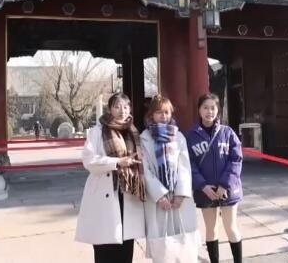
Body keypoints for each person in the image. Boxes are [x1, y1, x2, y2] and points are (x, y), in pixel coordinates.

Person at [75, 93, 147, 263]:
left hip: (128, 192)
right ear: (110, 109)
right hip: (104, 193)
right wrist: (117, 162)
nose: (122, 111)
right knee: (105, 249)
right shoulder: (98, 131)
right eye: (117, 106)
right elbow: (88, 160)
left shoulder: (133, 131)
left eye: (126, 107)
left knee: (125, 248)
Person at [139, 95, 198, 263]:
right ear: (151, 115)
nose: (163, 116)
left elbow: (184, 166)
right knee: (162, 247)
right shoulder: (144, 138)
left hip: (178, 198)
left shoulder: (178, 137)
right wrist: (159, 195)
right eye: (159, 112)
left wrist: (180, 193)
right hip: (158, 199)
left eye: (166, 112)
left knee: (183, 243)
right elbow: (145, 169)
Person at [186, 93, 243, 263]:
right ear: (199, 110)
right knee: (211, 230)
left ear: (218, 110)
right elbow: (189, 164)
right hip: (206, 191)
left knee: (231, 228)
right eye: (205, 107)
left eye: (213, 108)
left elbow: (236, 160)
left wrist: (225, 184)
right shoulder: (190, 136)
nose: (209, 111)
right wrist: (202, 186)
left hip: (228, 190)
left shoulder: (227, 133)